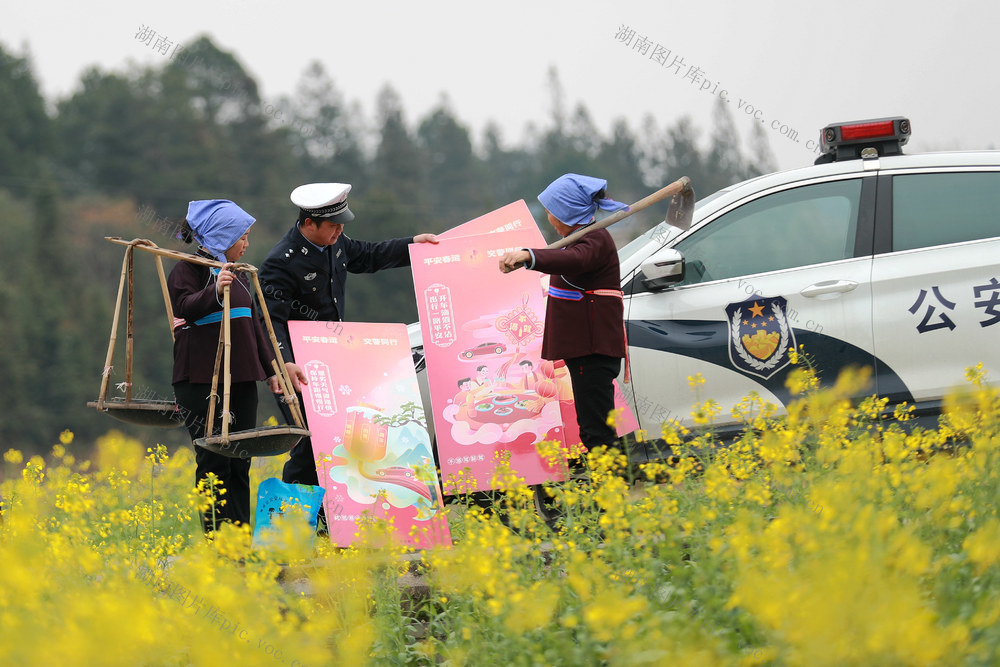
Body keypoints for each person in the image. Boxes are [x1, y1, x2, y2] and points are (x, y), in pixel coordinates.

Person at [259, 182, 438, 491]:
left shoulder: (335, 244)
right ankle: (291, 526)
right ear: (309, 224)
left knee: (339, 442)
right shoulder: (281, 263)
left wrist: (413, 244)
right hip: (297, 369)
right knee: (309, 444)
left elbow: (370, 255)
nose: (339, 231)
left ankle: (332, 522)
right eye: (332, 225)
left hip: (333, 362)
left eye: (342, 225)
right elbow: (268, 321)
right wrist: (284, 363)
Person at [168, 199, 281, 534]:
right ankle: (216, 541)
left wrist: (272, 370)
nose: (247, 244)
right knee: (214, 459)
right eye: (241, 237)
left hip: (242, 378)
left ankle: (240, 541)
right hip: (200, 379)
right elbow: (184, 306)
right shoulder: (186, 268)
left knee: (239, 458)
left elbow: (254, 327)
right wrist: (215, 290)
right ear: (221, 236)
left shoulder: (240, 275)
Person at [499, 174, 629, 464]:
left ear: (566, 212)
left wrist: (529, 256)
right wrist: (529, 257)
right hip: (584, 351)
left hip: (591, 349)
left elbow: (575, 261)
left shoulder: (595, 239)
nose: (548, 217)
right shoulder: (580, 240)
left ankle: (614, 498)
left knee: (598, 433)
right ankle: (612, 496)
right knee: (593, 430)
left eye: (550, 211)